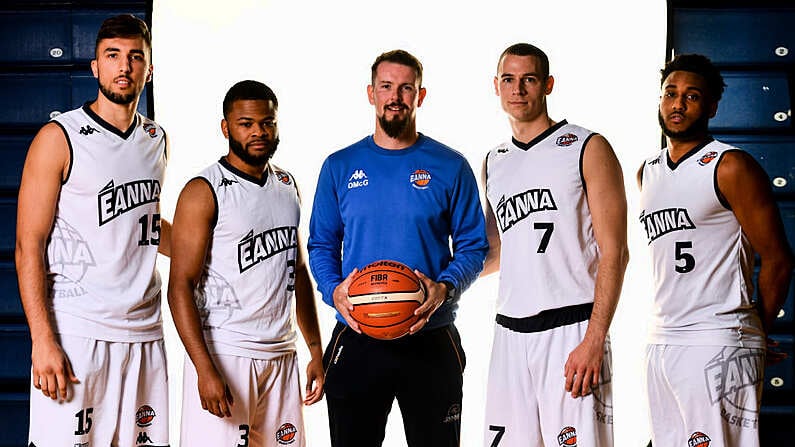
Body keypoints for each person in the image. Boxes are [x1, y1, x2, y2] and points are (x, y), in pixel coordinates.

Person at [308, 49, 488, 447]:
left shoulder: (450, 166)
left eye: (406, 87)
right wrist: (333, 291)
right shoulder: (339, 166)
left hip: (431, 336)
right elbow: (321, 244)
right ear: (371, 93)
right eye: (386, 86)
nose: (395, 96)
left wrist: (446, 288)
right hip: (357, 335)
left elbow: (474, 245)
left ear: (420, 96)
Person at [15, 14, 170, 447]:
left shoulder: (157, 139)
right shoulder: (59, 137)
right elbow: (29, 246)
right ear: (95, 67)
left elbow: (148, 223)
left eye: (135, 57)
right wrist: (42, 340)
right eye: (113, 56)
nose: (124, 66)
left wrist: (218, 243)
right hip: (78, 330)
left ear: (149, 69)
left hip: (143, 332)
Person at [638, 53, 793, 446]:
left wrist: (755, 329)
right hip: (662, 337)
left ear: (711, 105)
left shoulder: (730, 165)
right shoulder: (647, 172)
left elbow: (777, 259)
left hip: (717, 338)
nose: (678, 104)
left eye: (691, 96)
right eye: (670, 94)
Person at [480, 43, 629, 446]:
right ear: (496, 86)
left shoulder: (587, 146)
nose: (518, 89)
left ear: (547, 84)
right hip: (510, 333)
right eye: (508, 80)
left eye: (528, 79)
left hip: (571, 329)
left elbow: (615, 251)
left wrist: (595, 339)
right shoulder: (494, 160)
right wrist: (439, 277)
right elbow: (496, 251)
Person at [167, 80, 324, 447]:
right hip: (227, 354)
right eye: (246, 123)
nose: (259, 132)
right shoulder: (203, 190)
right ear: (226, 127)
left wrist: (314, 349)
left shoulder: (287, 185)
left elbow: (296, 269)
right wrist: (203, 368)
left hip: (281, 356)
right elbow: (180, 286)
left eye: (267, 123)